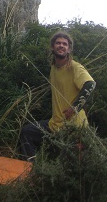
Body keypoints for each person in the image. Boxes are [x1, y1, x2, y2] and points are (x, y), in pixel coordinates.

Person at [20, 30, 96, 161]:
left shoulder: (74, 67)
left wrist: (74, 107)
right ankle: (30, 169)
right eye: (58, 43)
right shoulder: (54, 67)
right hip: (55, 123)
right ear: (52, 47)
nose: (61, 46)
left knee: (72, 162)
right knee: (27, 133)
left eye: (65, 44)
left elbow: (90, 84)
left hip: (74, 126)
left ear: (69, 49)